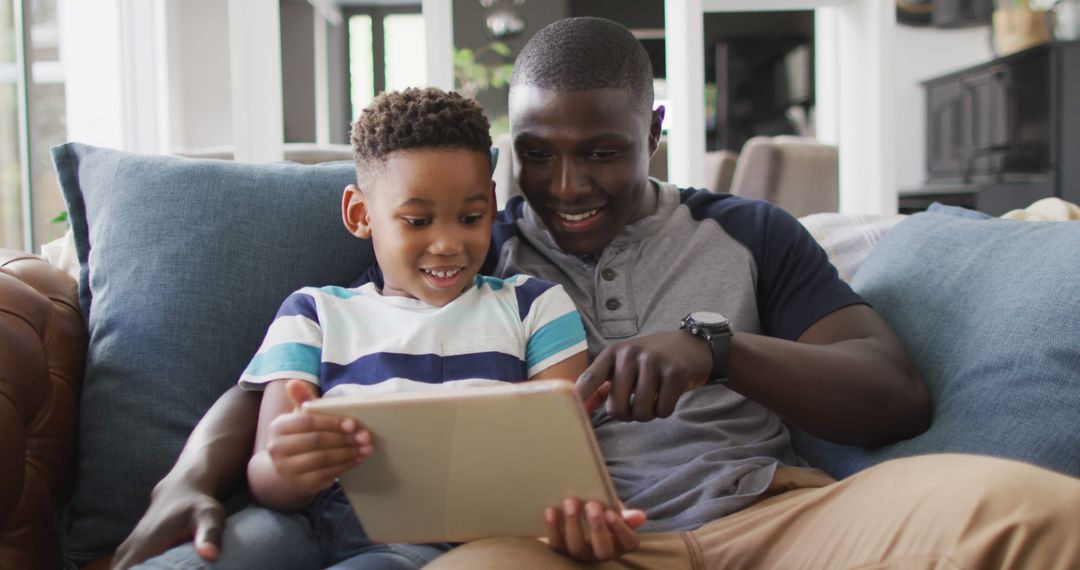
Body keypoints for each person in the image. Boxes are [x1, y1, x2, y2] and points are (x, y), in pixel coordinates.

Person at [116, 17, 1080, 570]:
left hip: (772, 517)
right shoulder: (466, 251)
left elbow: (892, 390)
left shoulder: (747, 233)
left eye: (604, 152)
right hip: (556, 547)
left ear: (654, 130)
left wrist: (717, 347)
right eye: (536, 154)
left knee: (1036, 514)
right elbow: (275, 386)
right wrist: (190, 477)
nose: (568, 186)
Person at [130, 87, 591, 569]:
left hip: (434, 538)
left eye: (471, 218)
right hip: (302, 521)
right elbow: (269, 476)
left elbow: (552, 467)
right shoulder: (313, 313)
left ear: (493, 204)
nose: (448, 243)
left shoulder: (533, 307)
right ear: (360, 215)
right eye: (417, 220)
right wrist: (290, 468)